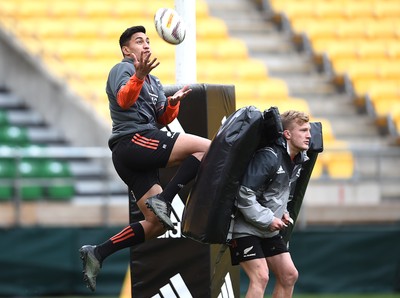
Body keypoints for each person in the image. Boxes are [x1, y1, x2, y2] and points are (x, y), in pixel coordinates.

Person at [78, 25, 210, 292]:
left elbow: (162, 118)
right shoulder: (122, 69)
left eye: (148, 40)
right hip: (132, 141)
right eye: (139, 41)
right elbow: (125, 100)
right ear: (127, 50)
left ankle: (98, 252)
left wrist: (172, 103)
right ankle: (166, 197)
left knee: (156, 224)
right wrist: (138, 75)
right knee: (208, 149)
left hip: (135, 151)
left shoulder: (154, 81)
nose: (147, 44)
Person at [229, 110, 311, 298]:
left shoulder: (298, 160)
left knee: (289, 275)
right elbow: (243, 194)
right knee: (261, 277)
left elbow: (276, 193)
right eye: (303, 130)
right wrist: (268, 218)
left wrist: (282, 212)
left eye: (309, 130)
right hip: (245, 228)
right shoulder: (269, 156)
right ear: (287, 134)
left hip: (268, 228)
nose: (309, 135)